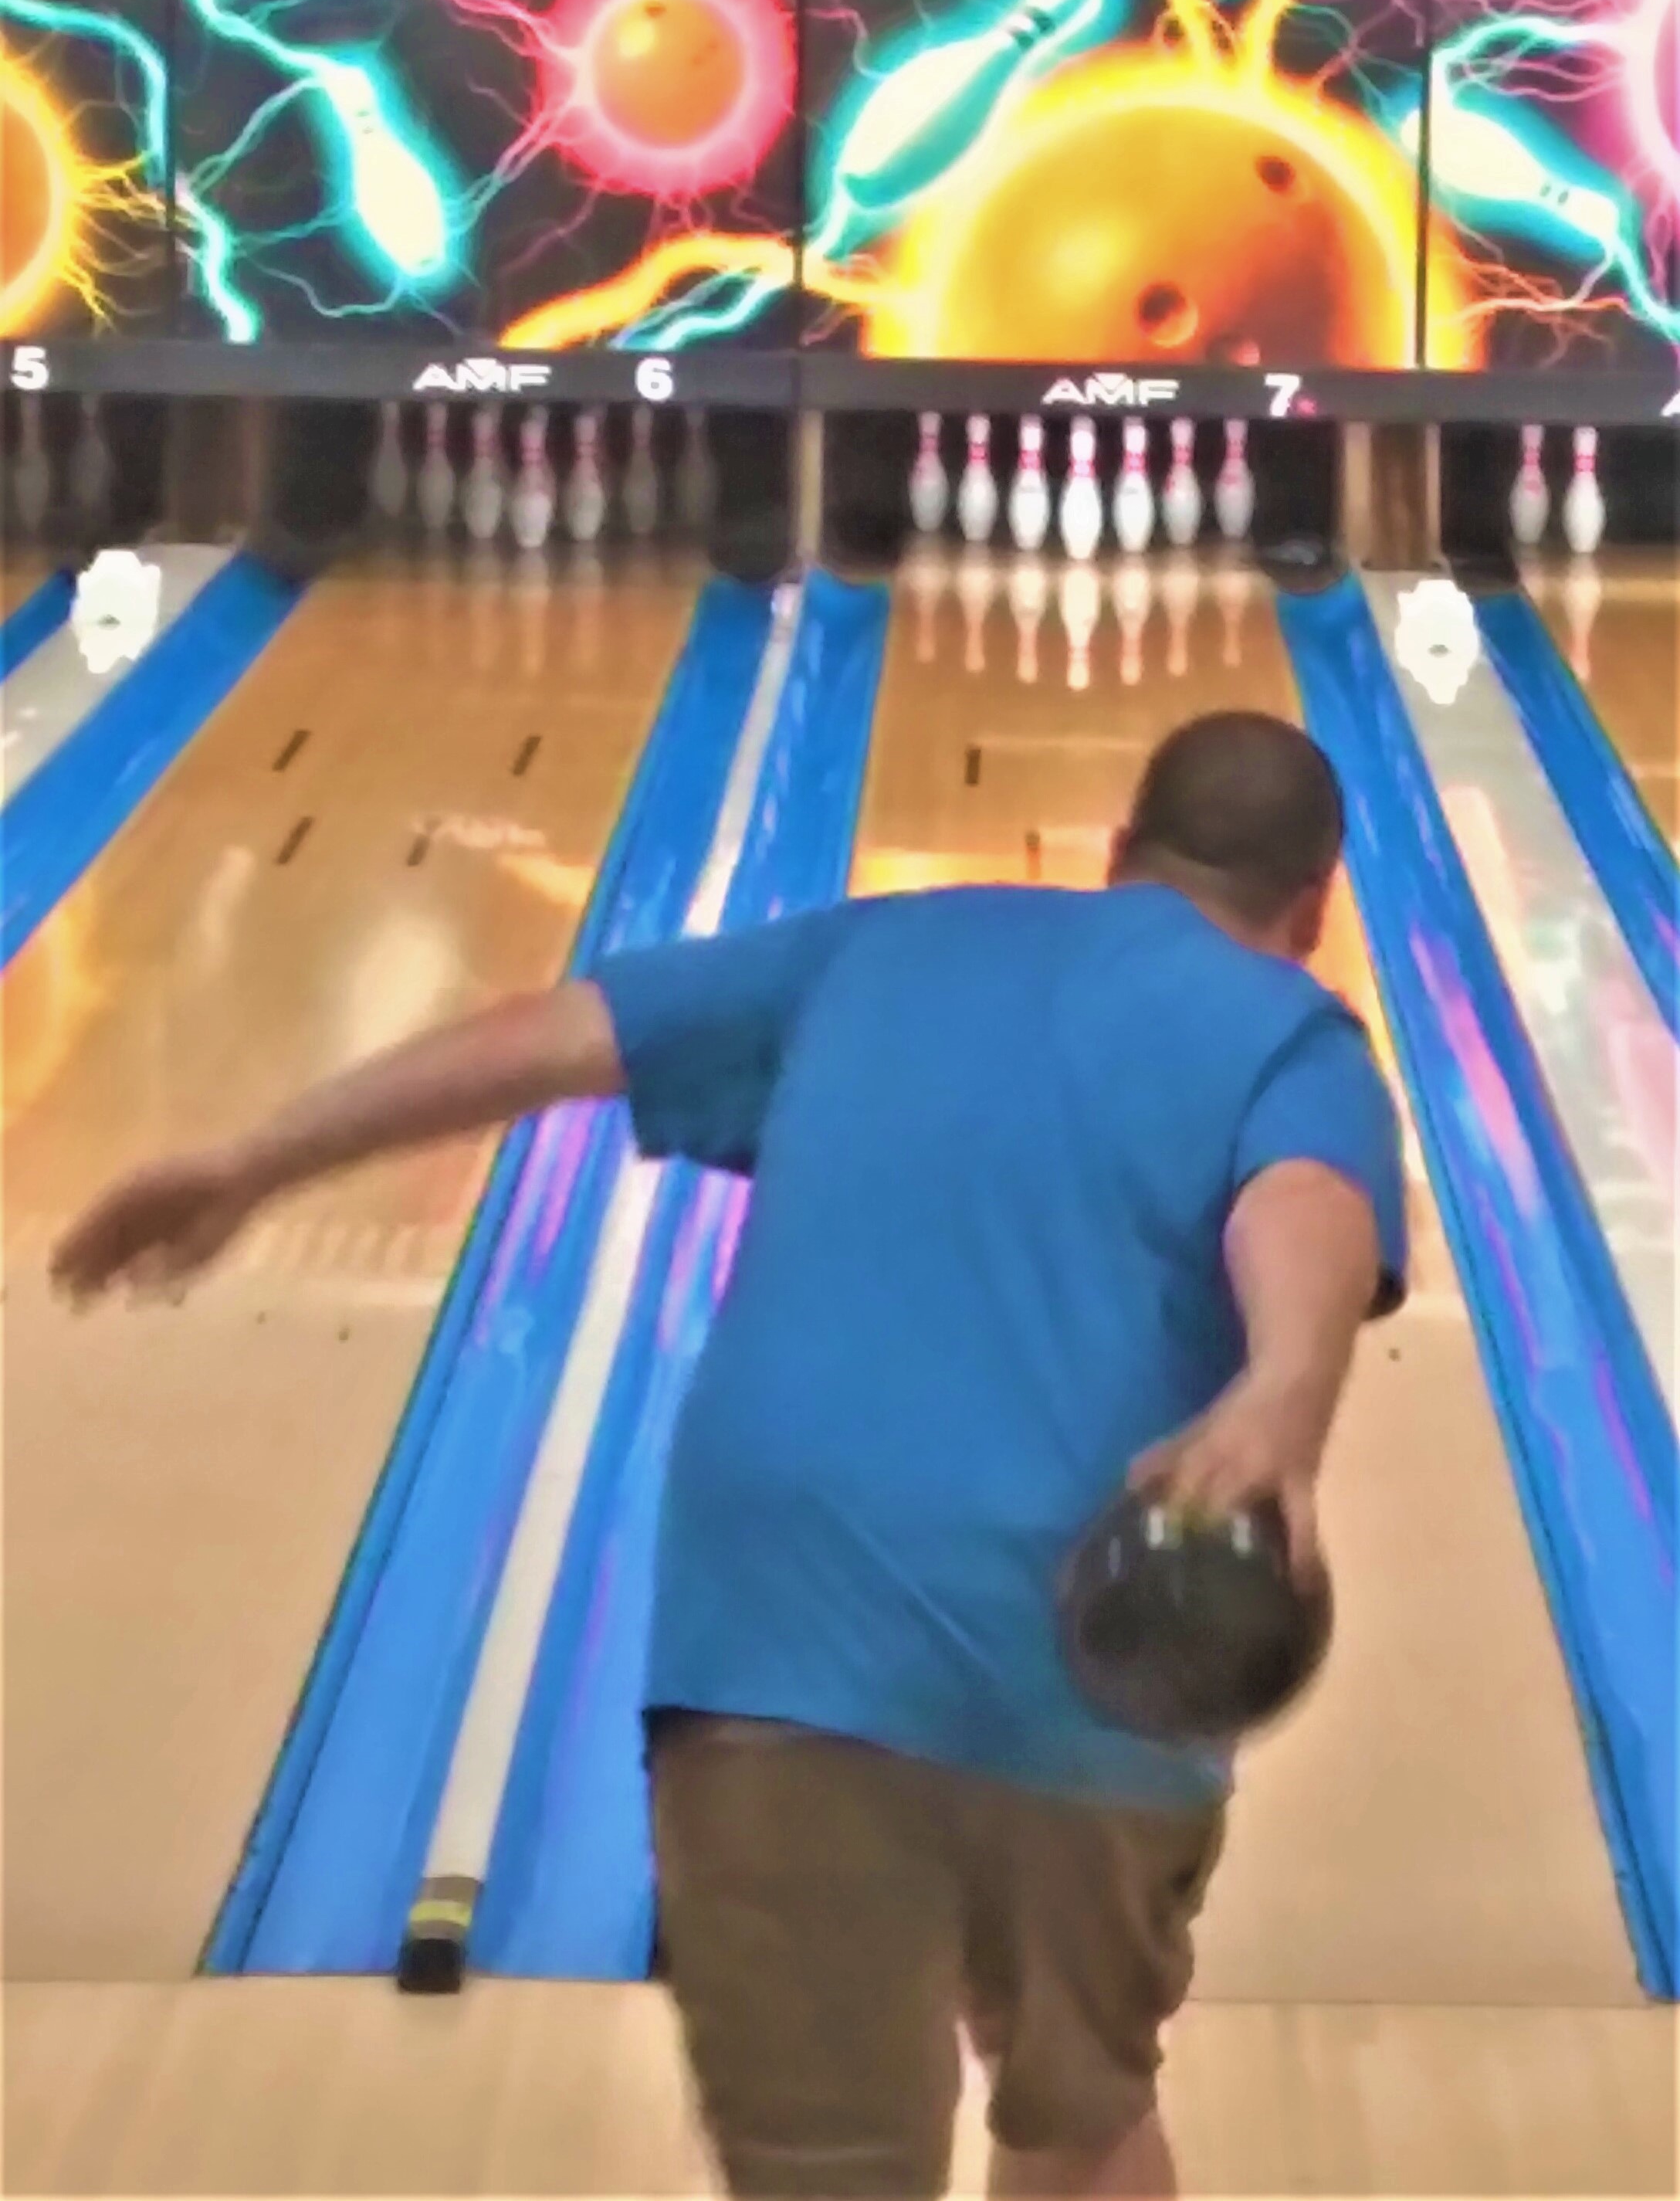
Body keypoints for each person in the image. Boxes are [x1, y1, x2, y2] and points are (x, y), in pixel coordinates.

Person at [55, 709, 1406, 2201]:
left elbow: (544, 1037)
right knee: (1081, 2112)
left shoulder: (882, 946)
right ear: (1313, 907)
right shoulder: (1293, 1033)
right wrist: (1287, 1385)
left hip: (778, 1639)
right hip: (1093, 1660)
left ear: (1116, 851)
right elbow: (1304, 1194)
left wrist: (255, 1160)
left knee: (826, 2172)